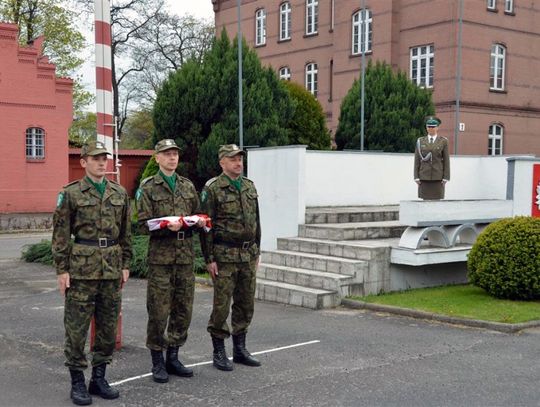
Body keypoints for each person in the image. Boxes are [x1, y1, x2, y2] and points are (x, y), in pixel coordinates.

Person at [52, 141, 131, 406]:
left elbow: (125, 233)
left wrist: (126, 264)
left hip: (111, 268)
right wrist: (62, 270)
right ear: (83, 162)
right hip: (82, 270)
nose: (101, 162)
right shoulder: (71, 193)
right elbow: (61, 235)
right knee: (76, 328)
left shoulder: (119, 192)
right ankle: (77, 381)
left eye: (103, 158)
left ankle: (99, 377)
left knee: (107, 326)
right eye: (95, 158)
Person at [136, 139, 204, 383]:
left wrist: (200, 222)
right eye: (166, 154)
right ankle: (157, 360)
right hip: (161, 259)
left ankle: (173, 357)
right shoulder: (148, 187)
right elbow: (142, 223)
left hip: (185, 258)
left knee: (183, 309)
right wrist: (166, 227)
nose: (172, 158)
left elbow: (198, 214)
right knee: (158, 311)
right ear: (157, 158)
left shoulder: (187, 186)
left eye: (175, 153)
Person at [200, 144, 261, 371]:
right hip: (224, 256)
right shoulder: (213, 188)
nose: (238, 163)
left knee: (246, 303)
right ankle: (219, 351)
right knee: (222, 305)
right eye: (233, 159)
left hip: (247, 254)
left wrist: (257, 249)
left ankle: (240, 349)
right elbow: (206, 225)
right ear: (222, 162)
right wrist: (209, 258)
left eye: (240, 159)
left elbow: (257, 222)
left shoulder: (249, 186)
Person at [414, 116, 451, 199]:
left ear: (437, 127)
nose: (430, 129)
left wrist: (446, 177)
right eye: (428, 127)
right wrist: (416, 176)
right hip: (424, 177)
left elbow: (446, 161)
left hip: (438, 177)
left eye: (433, 127)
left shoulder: (443, 141)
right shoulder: (420, 141)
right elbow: (417, 160)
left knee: (437, 202)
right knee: (425, 202)